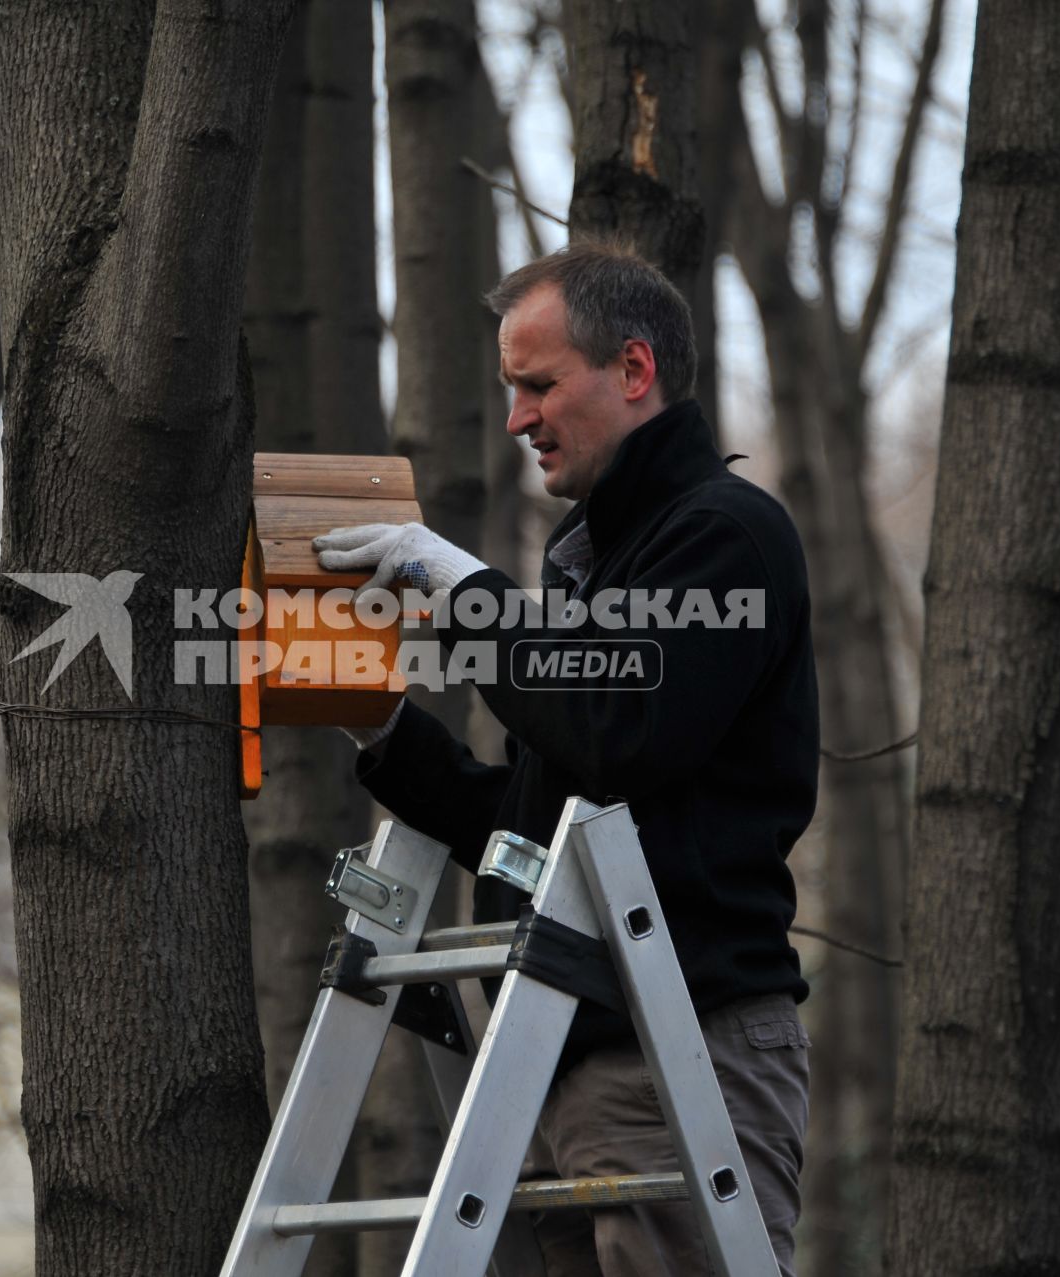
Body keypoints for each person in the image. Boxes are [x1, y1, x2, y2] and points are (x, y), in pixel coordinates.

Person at [312, 241, 819, 1276]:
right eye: (509, 389)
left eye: (538, 384)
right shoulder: (597, 573)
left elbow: (618, 732)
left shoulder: (726, 539)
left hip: (681, 1052)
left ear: (633, 372)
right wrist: (384, 732)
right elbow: (534, 830)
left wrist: (466, 592)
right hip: (556, 1056)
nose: (517, 419)